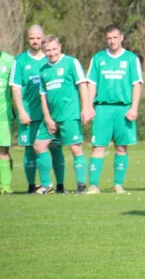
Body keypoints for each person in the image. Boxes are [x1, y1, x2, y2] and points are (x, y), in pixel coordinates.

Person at [86, 24, 143, 194]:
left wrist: (134, 108)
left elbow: (137, 84)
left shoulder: (131, 59)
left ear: (121, 37)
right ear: (106, 39)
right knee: (98, 147)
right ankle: (93, 185)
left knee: (121, 147)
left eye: (115, 37)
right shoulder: (98, 58)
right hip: (102, 109)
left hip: (123, 109)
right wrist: (88, 106)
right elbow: (91, 84)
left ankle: (118, 184)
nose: (112, 41)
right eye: (109, 38)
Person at [10, 25, 65, 194]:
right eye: (31, 38)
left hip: (51, 115)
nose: (35, 41)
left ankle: (59, 185)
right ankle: (31, 186)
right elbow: (16, 88)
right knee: (29, 149)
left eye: (38, 38)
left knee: (55, 148)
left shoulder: (51, 58)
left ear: (43, 37)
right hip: (29, 114)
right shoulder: (20, 61)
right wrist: (21, 111)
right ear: (28, 39)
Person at [34, 36, 90, 194]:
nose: (51, 53)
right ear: (44, 51)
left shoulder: (71, 62)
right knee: (39, 146)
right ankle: (47, 185)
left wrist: (86, 108)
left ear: (59, 46)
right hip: (51, 118)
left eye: (53, 49)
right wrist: (47, 117)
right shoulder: (43, 70)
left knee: (75, 149)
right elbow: (43, 95)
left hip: (69, 115)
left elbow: (82, 85)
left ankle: (81, 186)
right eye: (47, 50)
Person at [0, 49, 15, 195]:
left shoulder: (10, 60)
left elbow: (16, 87)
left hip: (3, 115)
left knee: (3, 151)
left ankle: (6, 186)